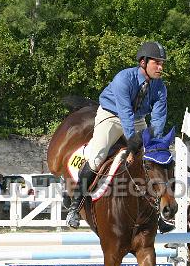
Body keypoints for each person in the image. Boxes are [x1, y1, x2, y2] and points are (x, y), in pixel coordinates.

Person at [65, 41, 168, 229]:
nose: (161, 68)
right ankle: (75, 206)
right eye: (157, 63)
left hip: (137, 119)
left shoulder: (160, 87)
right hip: (112, 115)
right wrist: (132, 146)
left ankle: (157, 214)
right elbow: (125, 114)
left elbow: (159, 119)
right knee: (97, 157)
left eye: (162, 63)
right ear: (143, 62)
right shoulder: (123, 79)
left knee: (151, 161)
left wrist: (152, 144)